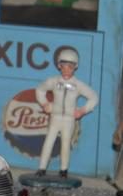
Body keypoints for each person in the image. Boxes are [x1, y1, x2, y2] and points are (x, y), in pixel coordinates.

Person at [35, 48, 98, 179]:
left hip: (69, 119)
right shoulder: (53, 81)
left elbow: (93, 97)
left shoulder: (78, 85)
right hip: (55, 116)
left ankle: (63, 170)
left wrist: (83, 110)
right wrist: (45, 103)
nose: (66, 70)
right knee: (48, 142)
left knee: (65, 144)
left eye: (70, 66)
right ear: (59, 66)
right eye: (63, 66)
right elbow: (40, 90)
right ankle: (42, 168)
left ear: (75, 67)